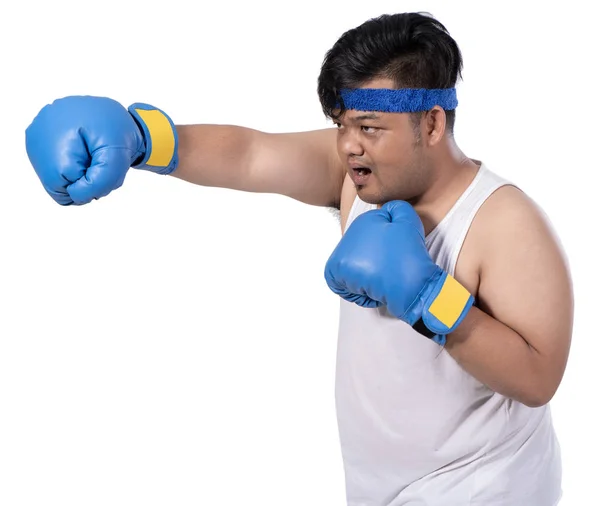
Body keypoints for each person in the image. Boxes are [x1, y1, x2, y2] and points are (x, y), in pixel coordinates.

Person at [24, 11, 573, 506]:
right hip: (384, 486)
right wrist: (142, 137)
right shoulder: (359, 177)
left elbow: (538, 377)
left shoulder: (503, 221)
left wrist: (430, 297)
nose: (349, 145)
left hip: (484, 486)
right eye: (342, 125)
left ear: (430, 123)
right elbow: (250, 154)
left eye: (369, 128)